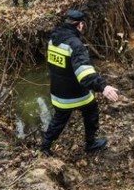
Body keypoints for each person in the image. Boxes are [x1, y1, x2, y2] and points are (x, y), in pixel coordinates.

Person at [41, 9, 119, 156]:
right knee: (91, 110)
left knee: (58, 120)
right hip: (75, 94)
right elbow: (84, 74)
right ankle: (91, 143)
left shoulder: (53, 40)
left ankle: (45, 146)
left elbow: (56, 66)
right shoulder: (75, 45)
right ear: (80, 25)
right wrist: (103, 86)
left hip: (58, 93)